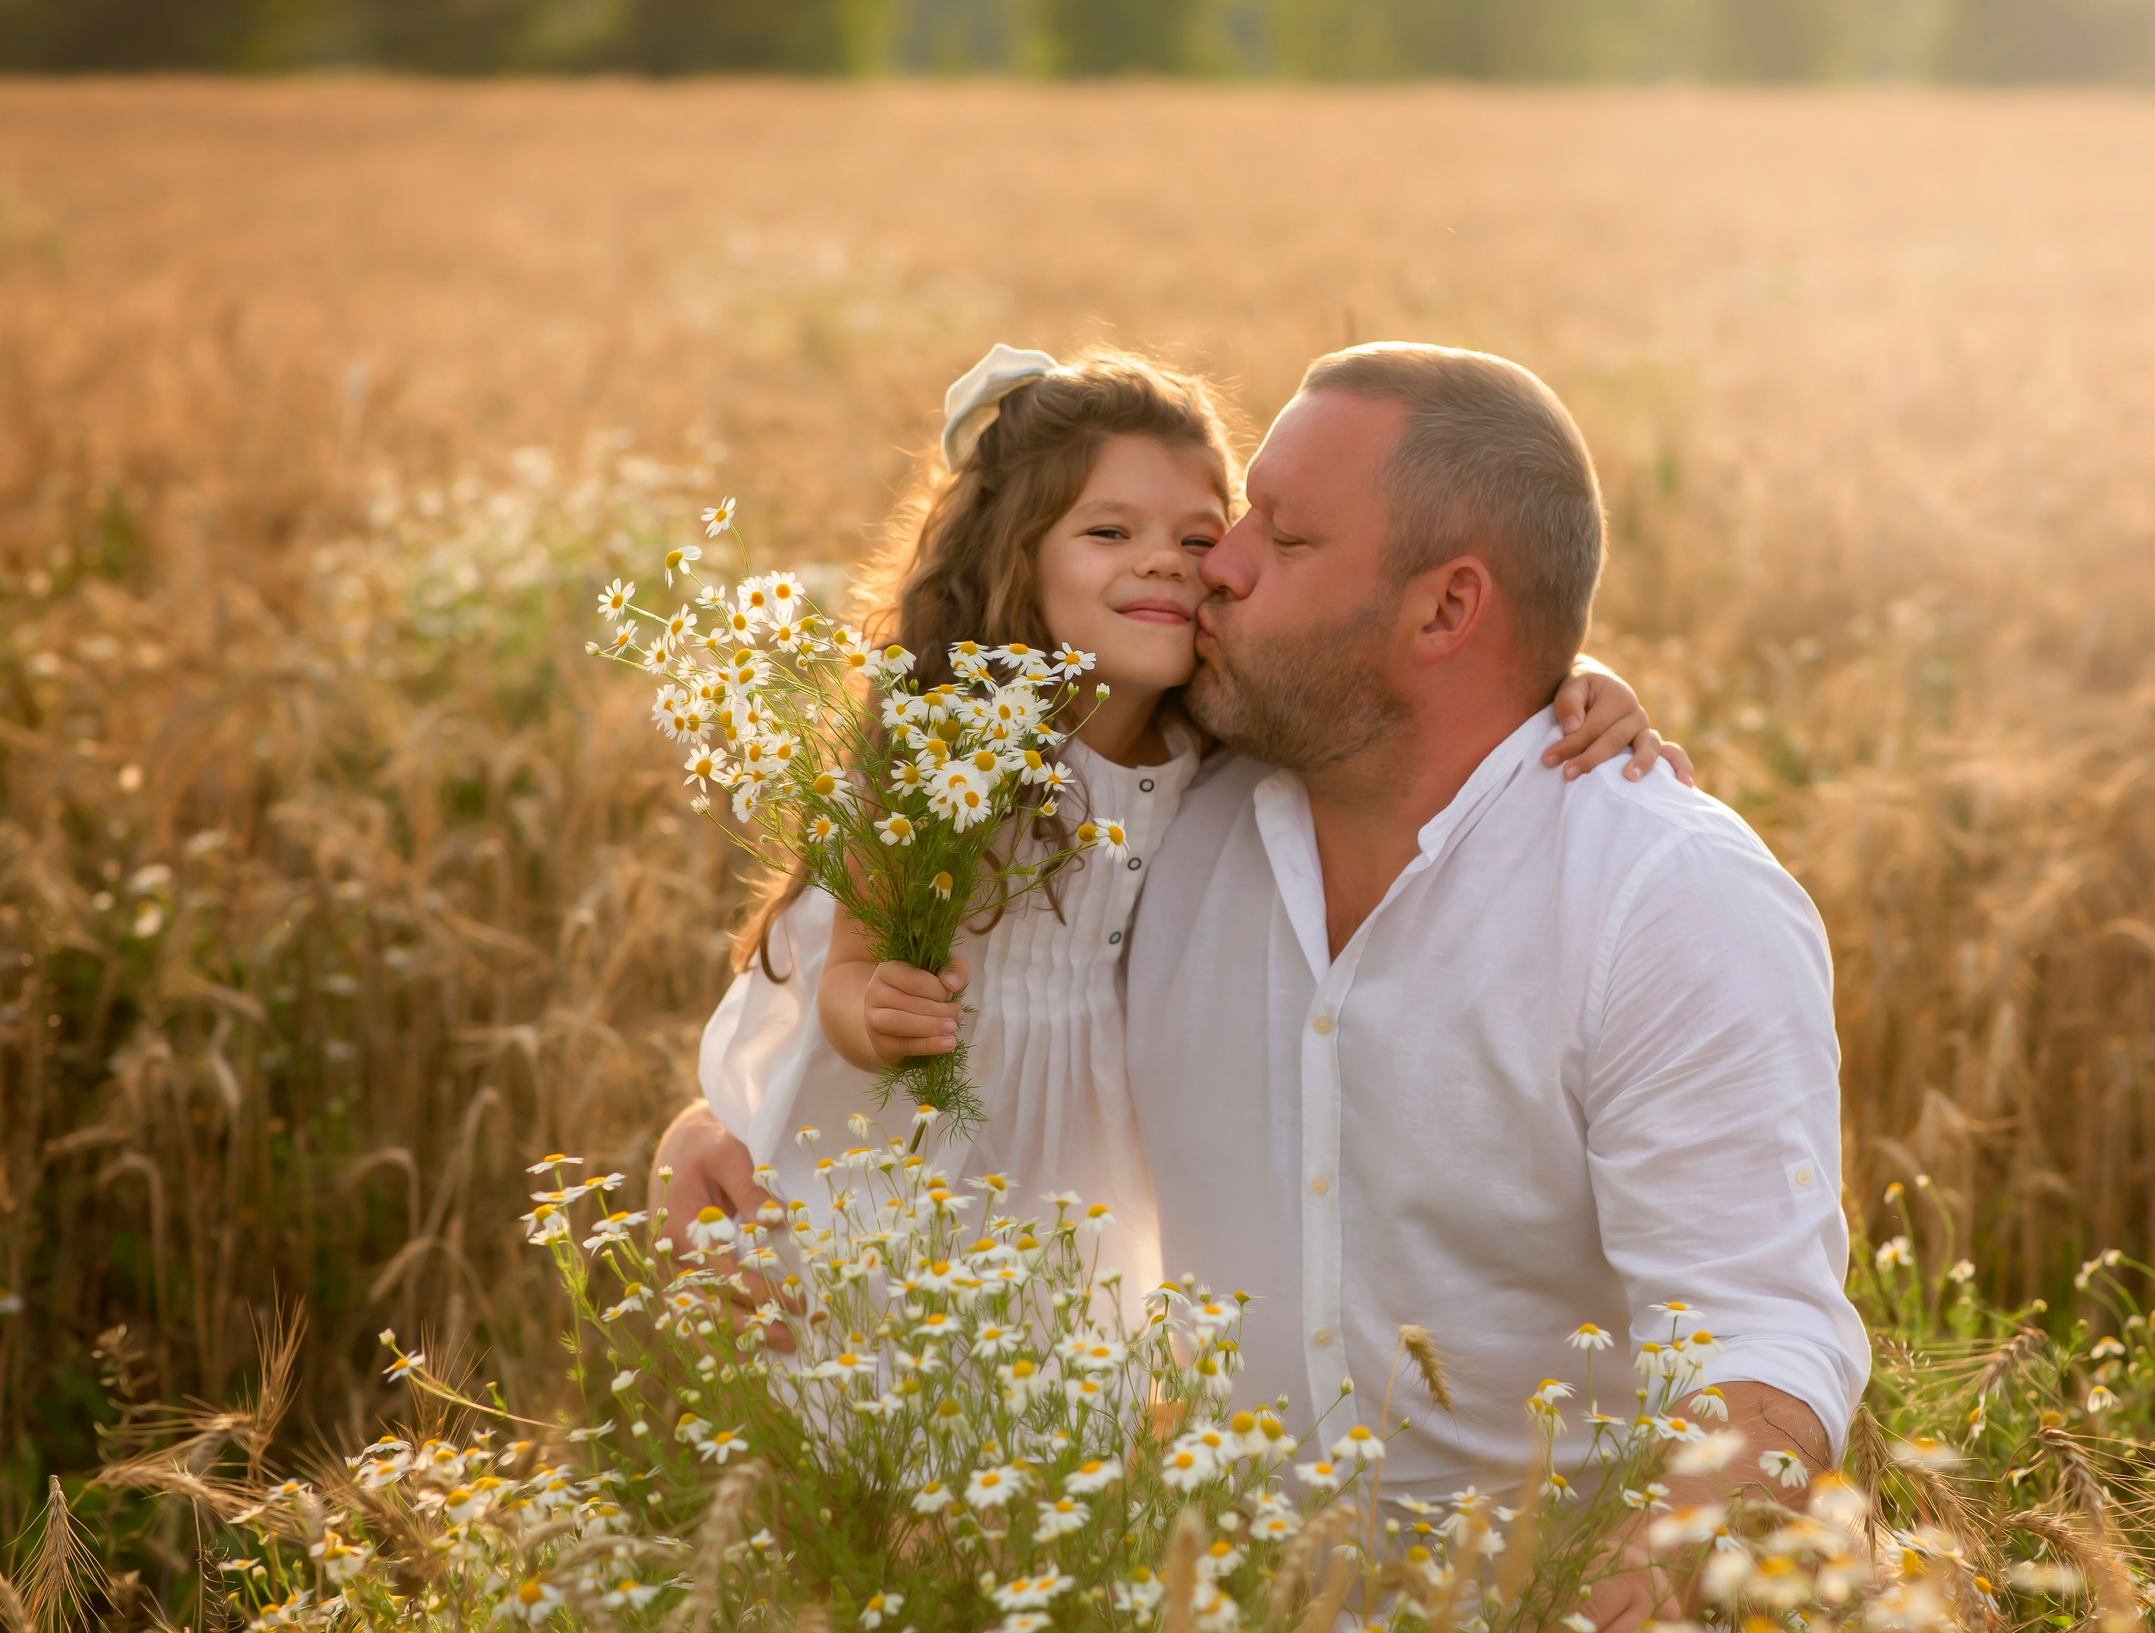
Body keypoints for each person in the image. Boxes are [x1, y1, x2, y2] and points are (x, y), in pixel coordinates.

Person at [663, 344, 1684, 1308]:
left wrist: (1578, 681)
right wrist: (873, 1013)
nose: (1164, 563)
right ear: (1013, 560)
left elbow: (1419, 688)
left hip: (1076, 1168)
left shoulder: (1215, 742)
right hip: (908, 1140)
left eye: (1199, 539)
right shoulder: (943, 744)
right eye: (1108, 534)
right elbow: (847, 965)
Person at [1125, 343, 1867, 1632]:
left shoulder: (1665, 901)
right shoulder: (1150, 811)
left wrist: (1638, 1576)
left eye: (1284, 537)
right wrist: (731, 1106)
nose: (1218, 564)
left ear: (1446, 611)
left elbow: (1759, 1342)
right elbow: (917, 921)